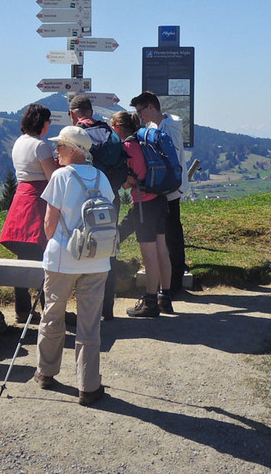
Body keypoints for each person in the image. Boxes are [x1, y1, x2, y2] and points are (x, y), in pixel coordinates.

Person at [34, 125, 113, 406]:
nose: (56, 151)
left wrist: (53, 244)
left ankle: (46, 372)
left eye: (60, 146)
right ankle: (88, 387)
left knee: (53, 315)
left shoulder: (61, 176)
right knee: (89, 324)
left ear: (73, 149)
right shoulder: (101, 177)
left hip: (62, 259)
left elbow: (49, 222)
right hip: (98, 258)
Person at [68, 94, 127, 319]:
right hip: (110, 197)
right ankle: (107, 308)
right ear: (91, 112)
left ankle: (86, 309)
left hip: (85, 199)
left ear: (72, 114)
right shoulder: (107, 131)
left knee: (83, 247)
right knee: (107, 246)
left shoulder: (77, 134)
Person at [0, 104, 57, 323]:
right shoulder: (40, 146)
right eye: (48, 121)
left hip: (21, 197)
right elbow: (52, 176)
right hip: (37, 200)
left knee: (22, 258)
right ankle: (48, 310)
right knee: (44, 257)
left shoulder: (19, 142)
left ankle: (22, 310)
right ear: (41, 122)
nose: (49, 125)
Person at [111, 110, 172, 317]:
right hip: (160, 199)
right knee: (161, 250)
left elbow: (129, 182)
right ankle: (165, 298)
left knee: (149, 254)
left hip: (144, 203)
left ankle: (150, 302)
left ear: (117, 128)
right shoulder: (145, 142)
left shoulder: (128, 147)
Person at [131, 90, 190, 299]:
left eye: (141, 111)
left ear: (151, 107)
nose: (140, 116)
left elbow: (170, 161)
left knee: (172, 237)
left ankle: (174, 284)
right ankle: (170, 285)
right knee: (168, 237)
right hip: (167, 188)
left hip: (169, 189)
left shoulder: (169, 129)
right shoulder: (158, 127)